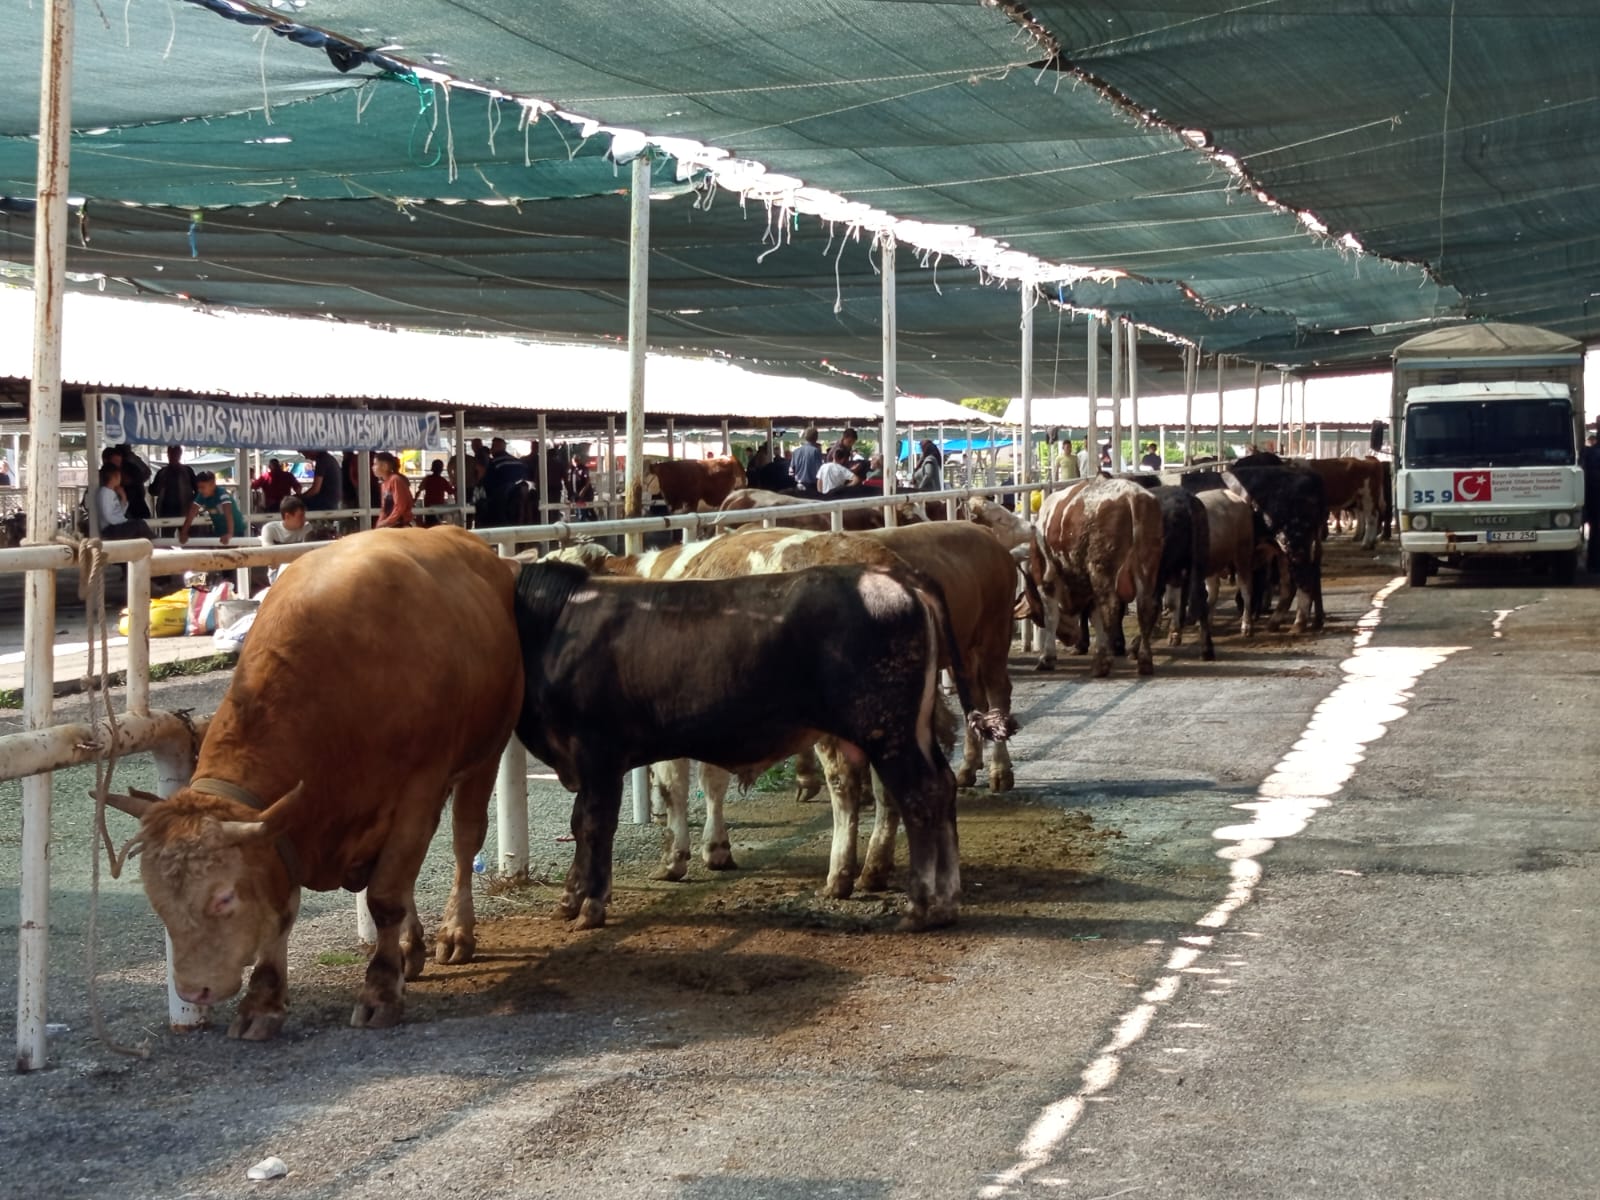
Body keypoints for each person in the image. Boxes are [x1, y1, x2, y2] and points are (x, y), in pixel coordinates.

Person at [179, 470, 246, 545]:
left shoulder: (222, 493)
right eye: (198, 488)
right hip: (219, 532)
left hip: (236, 531)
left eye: (202, 487)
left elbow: (228, 512)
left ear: (212, 484)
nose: (200, 490)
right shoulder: (201, 495)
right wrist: (183, 533)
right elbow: (192, 513)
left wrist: (230, 534)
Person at [93, 464, 152, 540]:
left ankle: (154, 541)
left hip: (116, 526)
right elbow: (108, 516)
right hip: (110, 529)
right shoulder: (105, 493)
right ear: (115, 476)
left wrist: (123, 497)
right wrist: (123, 522)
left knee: (140, 525)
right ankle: (156, 542)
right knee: (140, 525)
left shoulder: (110, 492)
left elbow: (119, 513)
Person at [259, 495, 309, 583]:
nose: (304, 519)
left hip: (302, 572)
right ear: (287, 516)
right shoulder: (270, 529)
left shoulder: (307, 528)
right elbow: (270, 558)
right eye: (301, 516)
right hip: (278, 575)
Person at [150, 444, 197, 521]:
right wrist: (159, 485)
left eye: (176, 453)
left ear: (180, 454)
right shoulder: (162, 472)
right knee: (167, 529)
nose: (173, 456)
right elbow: (153, 491)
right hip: (165, 511)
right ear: (168, 454)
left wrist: (193, 505)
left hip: (185, 510)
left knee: (185, 528)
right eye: (171, 453)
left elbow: (198, 490)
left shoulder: (188, 471)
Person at [373, 452, 415, 528]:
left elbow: (400, 506)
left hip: (401, 524)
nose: (373, 467)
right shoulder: (383, 484)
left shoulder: (395, 480)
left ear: (385, 466)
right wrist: (379, 523)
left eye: (375, 464)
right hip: (390, 524)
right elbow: (384, 509)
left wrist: (386, 522)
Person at [299, 448, 343, 512]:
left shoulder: (322, 460)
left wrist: (300, 498)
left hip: (324, 504)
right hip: (332, 503)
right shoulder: (329, 458)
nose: (306, 457)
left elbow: (315, 490)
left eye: (305, 453)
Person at [416, 458, 455, 526]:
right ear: (441, 469)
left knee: (429, 524)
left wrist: (414, 500)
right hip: (439, 506)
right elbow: (451, 492)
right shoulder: (442, 480)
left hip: (428, 505)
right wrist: (455, 485)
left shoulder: (427, 479)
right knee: (437, 524)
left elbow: (419, 491)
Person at [1582, 429, 1600, 570]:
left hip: (1592, 499)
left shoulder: (1588, 453)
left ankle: (1594, 564)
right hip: (1594, 498)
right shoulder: (1592, 453)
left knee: (1596, 531)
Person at [565, 450, 597, 520]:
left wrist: (582, 491)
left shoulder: (583, 468)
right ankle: (591, 520)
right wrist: (570, 494)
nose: (576, 462)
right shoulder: (571, 470)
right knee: (581, 511)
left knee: (584, 511)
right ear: (572, 461)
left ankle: (591, 521)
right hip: (576, 495)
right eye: (574, 460)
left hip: (585, 495)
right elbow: (569, 482)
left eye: (577, 460)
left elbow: (587, 481)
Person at [790, 426, 823, 494]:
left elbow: (791, 470)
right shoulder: (816, 451)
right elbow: (820, 471)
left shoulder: (796, 451)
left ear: (805, 437)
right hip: (812, 487)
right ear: (816, 437)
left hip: (798, 485)